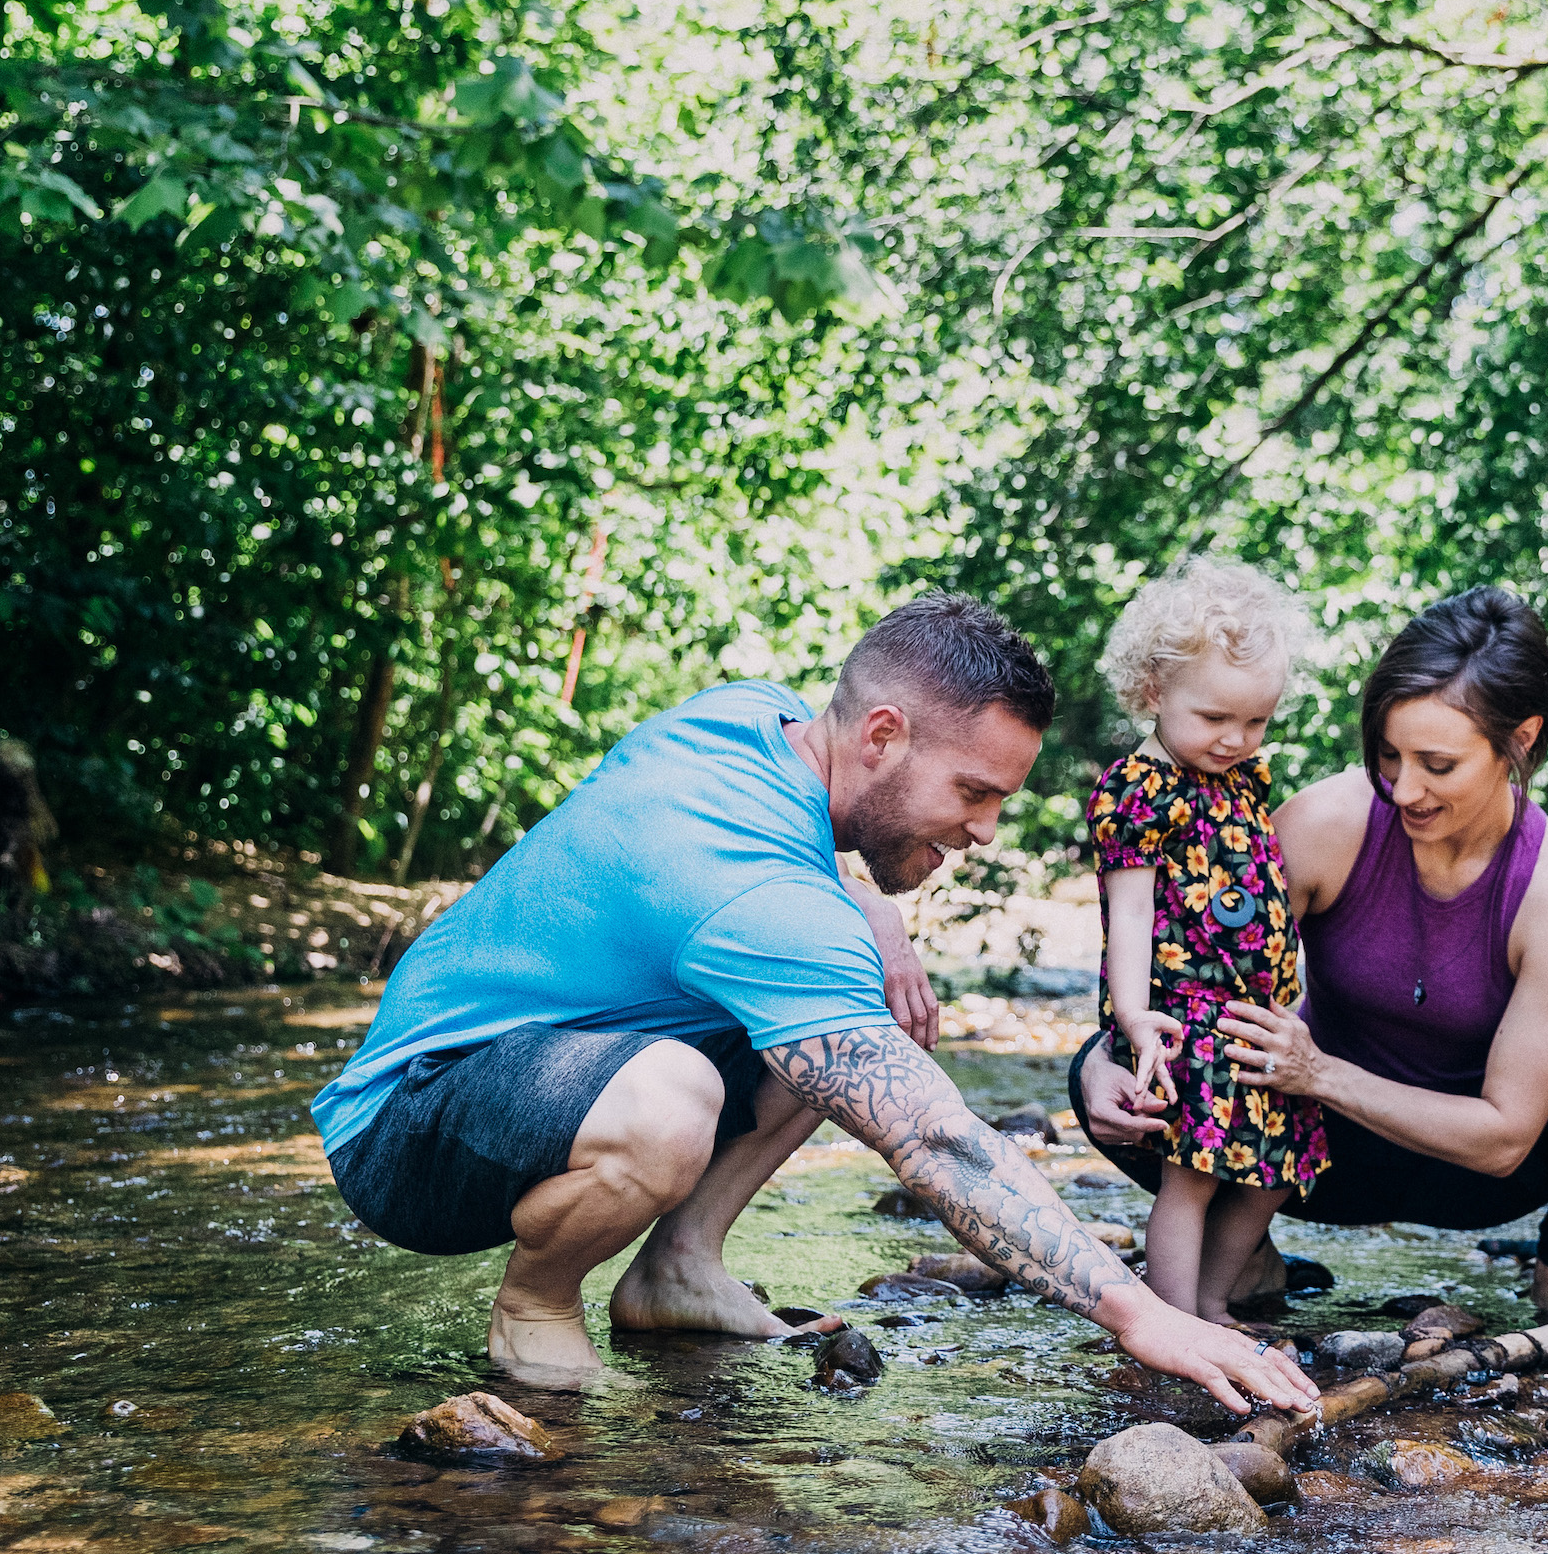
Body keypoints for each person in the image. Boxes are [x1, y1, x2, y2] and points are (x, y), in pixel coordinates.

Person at [311, 594, 1318, 1415]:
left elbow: (785, 852)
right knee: (681, 1095)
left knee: (836, 1001)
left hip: (533, 1063)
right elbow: (935, 1141)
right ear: (882, 734)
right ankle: (535, 1298)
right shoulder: (758, 894)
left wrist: (873, 908)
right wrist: (1145, 1316)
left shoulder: (753, 712)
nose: (987, 829)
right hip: (408, 1127)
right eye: (972, 791)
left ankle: (679, 1265)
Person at [1069, 588, 1548, 1325]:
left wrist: (1320, 1073)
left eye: (1437, 764)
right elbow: (1189, 963)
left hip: (1474, 1171)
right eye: (1389, 755)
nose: (1404, 789)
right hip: (1316, 1156)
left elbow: (1506, 1139)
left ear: (1521, 739)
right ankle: (1239, 1260)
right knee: (1113, 1066)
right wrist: (1107, 1059)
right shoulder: (1331, 820)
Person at [1086, 558, 1328, 1323]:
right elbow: (1127, 915)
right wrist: (1131, 1019)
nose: (1236, 739)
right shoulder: (1139, 792)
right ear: (1154, 693)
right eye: (1216, 719)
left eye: (1256, 721)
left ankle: (1215, 1300)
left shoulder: (1242, 778)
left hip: (1255, 1020)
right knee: (1189, 1176)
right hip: (1182, 1017)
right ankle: (1175, 1318)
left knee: (1271, 1171)